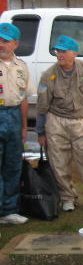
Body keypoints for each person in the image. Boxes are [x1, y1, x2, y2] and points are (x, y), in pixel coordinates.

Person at [36, 35, 83, 212]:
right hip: (56, 121)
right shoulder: (48, 75)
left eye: (64, 51)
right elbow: (42, 106)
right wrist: (41, 132)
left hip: (80, 119)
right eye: (57, 51)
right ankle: (67, 197)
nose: (60, 55)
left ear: (75, 53)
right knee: (59, 162)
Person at [0, 23, 34, 225]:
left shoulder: (21, 66)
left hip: (13, 115)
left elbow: (24, 98)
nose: (1, 45)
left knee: (12, 164)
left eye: (5, 41)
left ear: (15, 44)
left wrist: (23, 126)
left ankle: (9, 210)